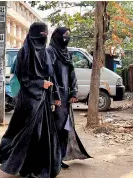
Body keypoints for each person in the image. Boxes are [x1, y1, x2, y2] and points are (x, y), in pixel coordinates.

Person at [0, 22, 62, 178]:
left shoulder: (46, 53)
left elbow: (51, 76)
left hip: (43, 101)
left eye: (45, 35)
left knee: (41, 135)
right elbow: (23, 77)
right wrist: (40, 83)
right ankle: (24, 166)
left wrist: (55, 95)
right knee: (27, 135)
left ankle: (36, 167)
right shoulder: (24, 53)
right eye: (41, 35)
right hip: (27, 102)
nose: (42, 39)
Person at [47, 27, 92, 168]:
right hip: (56, 97)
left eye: (69, 35)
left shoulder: (65, 53)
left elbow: (72, 74)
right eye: (65, 35)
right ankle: (53, 160)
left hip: (66, 98)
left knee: (65, 129)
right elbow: (49, 75)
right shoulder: (50, 52)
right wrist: (54, 96)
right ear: (57, 36)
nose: (67, 38)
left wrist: (73, 92)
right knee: (55, 129)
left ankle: (59, 157)